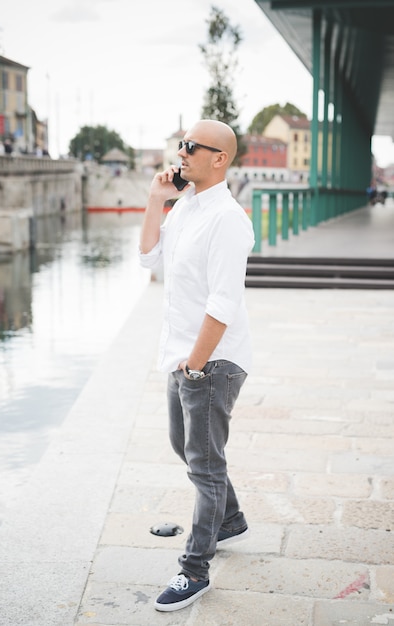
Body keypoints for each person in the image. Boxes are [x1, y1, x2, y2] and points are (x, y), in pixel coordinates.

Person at [139, 119, 255, 612]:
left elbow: (223, 304)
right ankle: (228, 520)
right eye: (180, 145)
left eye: (191, 147)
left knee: (205, 466)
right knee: (181, 445)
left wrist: (196, 366)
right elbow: (148, 258)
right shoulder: (186, 207)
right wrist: (154, 199)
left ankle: (195, 570)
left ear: (219, 159)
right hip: (182, 355)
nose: (181, 153)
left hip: (212, 361)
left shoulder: (228, 220)